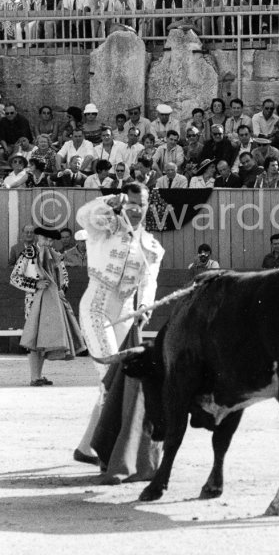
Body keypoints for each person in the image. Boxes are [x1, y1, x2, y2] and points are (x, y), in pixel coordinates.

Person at [73, 184, 165, 473]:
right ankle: (107, 452)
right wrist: (107, 201)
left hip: (125, 312)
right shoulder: (105, 226)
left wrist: (145, 307)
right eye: (132, 203)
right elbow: (83, 216)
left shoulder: (151, 244)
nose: (137, 209)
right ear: (123, 204)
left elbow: (150, 281)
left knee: (115, 381)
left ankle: (88, 446)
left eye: (143, 204)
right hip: (97, 306)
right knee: (110, 380)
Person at [10, 226, 85, 386]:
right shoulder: (28, 254)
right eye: (46, 239)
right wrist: (35, 283)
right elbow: (14, 277)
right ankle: (34, 377)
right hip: (34, 300)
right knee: (34, 337)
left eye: (51, 240)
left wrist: (61, 291)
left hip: (53, 302)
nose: (48, 243)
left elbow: (64, 277)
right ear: (38, 238)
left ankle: (38, 375)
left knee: (43, 338)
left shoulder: (56, 255)